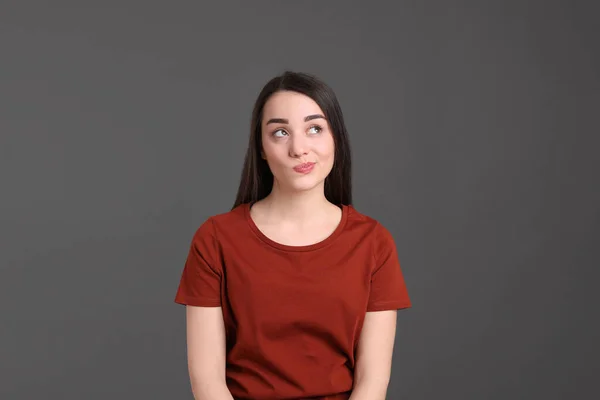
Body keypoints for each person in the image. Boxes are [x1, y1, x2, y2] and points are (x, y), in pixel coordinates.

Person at [174, 71, 412, 400]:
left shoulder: (373, 242)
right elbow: (207, 380)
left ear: (336, 139)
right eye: (280, 132)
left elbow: (372, 383)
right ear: (261, 147)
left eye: (315, 128)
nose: (299, 148)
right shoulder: (215, 239)